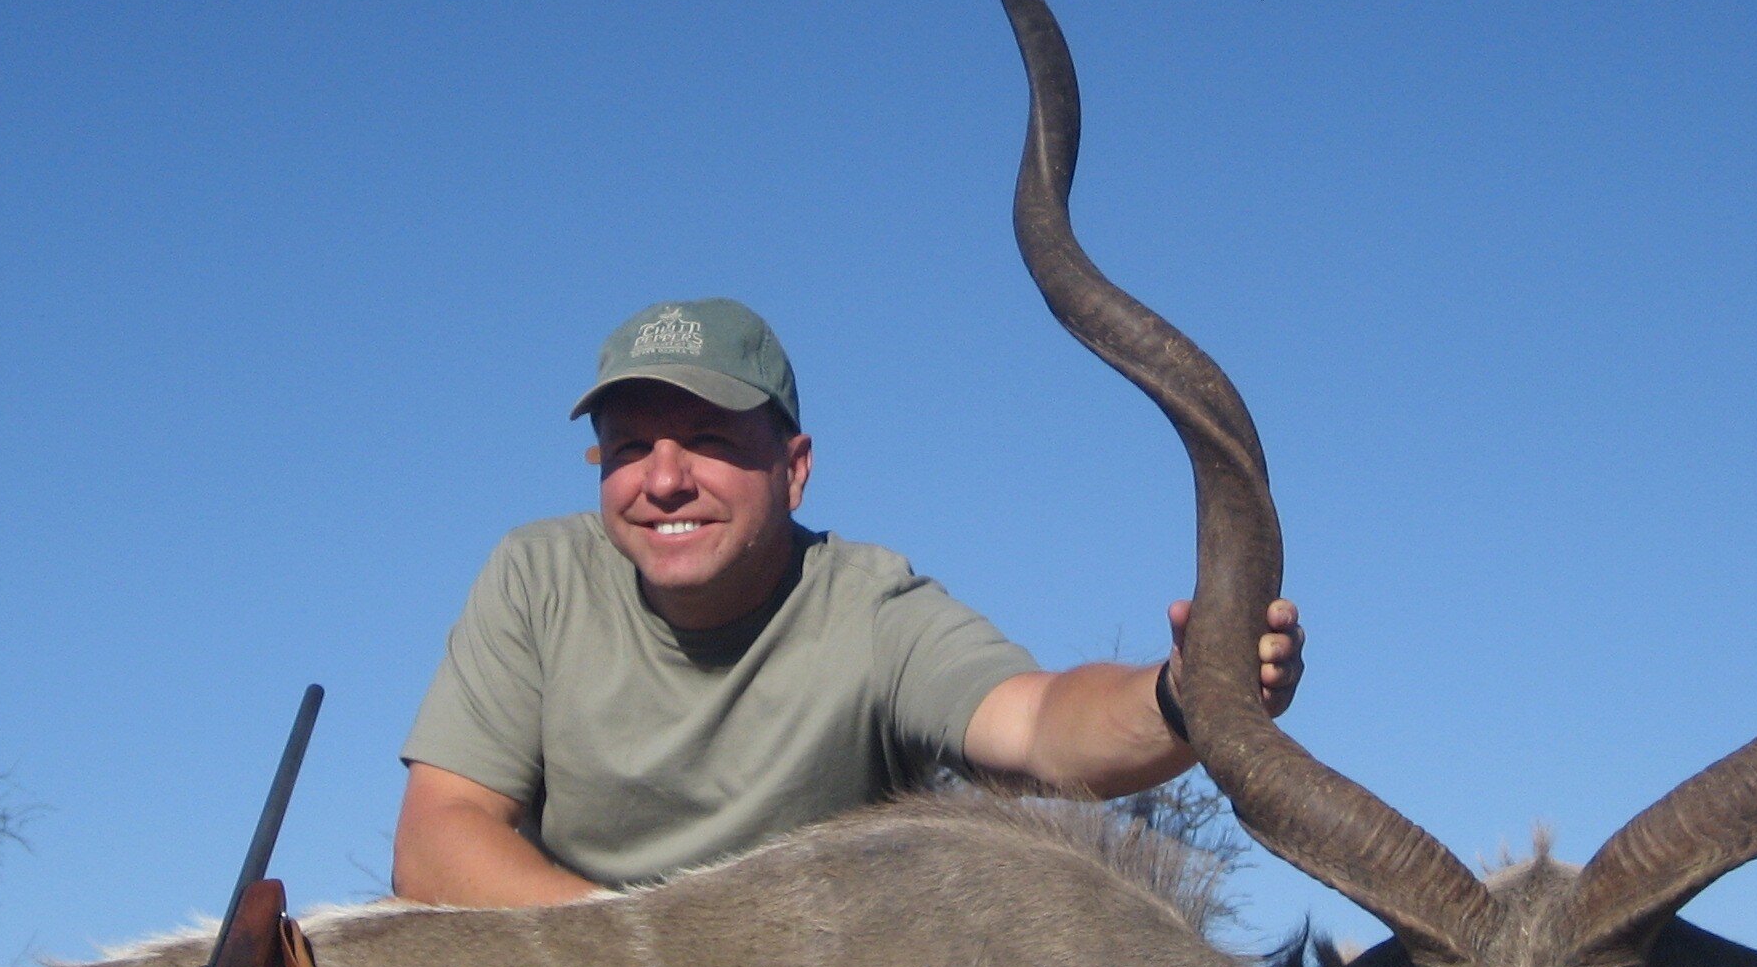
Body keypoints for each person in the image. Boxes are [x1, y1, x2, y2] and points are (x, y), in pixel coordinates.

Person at [393, 298, 1302, 907]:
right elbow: (438, 837)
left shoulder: (869, 607)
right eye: (629, 448)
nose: (663, 480)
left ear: (794, 472)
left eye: (707, 440)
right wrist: (646, 963)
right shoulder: (536, 577)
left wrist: (1184, 696)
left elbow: (1035, 725)